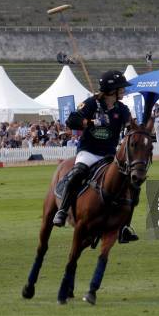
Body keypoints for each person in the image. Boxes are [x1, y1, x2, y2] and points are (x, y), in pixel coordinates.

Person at [52, 70, 138, 243]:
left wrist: (136, 131)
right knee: (78, 173)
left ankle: (124, 227)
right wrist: (90, 122)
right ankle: (62, 210)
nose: (124, 91)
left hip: (109, 154)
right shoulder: (91, 103)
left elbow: (130, 126)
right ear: (111, 90)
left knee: (130, 183)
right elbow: (71, 121)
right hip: (89, 152)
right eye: (121, 88)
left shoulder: (122, 109)